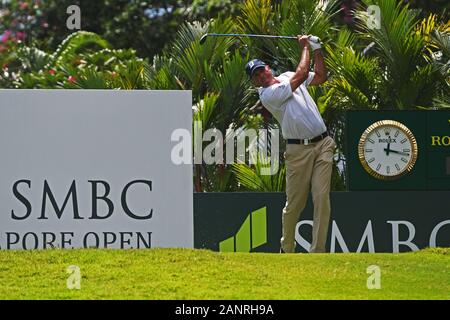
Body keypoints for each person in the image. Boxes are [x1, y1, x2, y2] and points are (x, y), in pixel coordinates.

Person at [245, 35, 336, 253]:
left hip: (323, 144)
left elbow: (321, 77)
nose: (260, 76)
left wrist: (317, 48)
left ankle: (318, 251)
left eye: (261, 70)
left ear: (268, 68)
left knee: (321, 197)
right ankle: (287, 248)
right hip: (298, 151)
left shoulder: (286, 75)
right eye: (255, 76)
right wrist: (304, 46)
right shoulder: (267, 94)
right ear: (254, 82)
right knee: (295, 204)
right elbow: (302, 74)